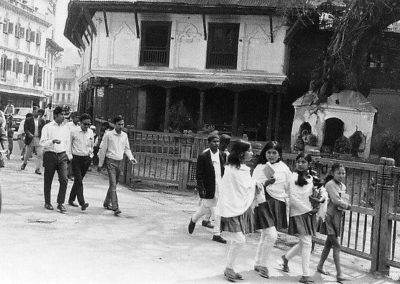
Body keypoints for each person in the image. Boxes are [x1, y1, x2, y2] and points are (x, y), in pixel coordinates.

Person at [216, 140, 262, 282]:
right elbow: (240, 188)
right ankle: (229, 268)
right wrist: (256, 185)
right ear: (242, 153)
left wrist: (255, 184)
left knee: (237, 240)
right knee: (240, 240)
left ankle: (229, 268)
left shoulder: (244, 169)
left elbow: (247, 185)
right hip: (231, 207)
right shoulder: (232, 169)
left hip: (239, 207)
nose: (252, 153)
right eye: (249, 151)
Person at [252, 141, 292, 278]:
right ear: (265, 153)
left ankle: (258, 262)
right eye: (268, 152)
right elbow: (253, 185)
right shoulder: (259, 167)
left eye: (274, 153)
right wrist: (267, 182)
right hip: (263, 201)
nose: (271, 155)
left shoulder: (284, 168)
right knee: (272, 235)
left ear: (279, 154)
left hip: (277, 202)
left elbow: (288, 187)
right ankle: (263, 266)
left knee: (266, 234)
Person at [282, 152, 316, 284]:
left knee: (304, 242)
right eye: (298, 162)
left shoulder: (311, 177)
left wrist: (320, 200)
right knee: (307, 242)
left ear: (309, 164)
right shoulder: (293, 177)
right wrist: (308, 209)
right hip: (299, 213)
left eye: (303, 162)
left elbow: (318, 190)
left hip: (309, 212)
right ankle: (305, 275)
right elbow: (293, 198)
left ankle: (286, 257)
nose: (300, 164)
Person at [188, 133, 227, 243]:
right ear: (209, 143)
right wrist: (201, 188)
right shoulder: (203, 156)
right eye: (214, 142)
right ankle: (216, 233)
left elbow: (224, 171)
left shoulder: (222, 155)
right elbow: (199, 174)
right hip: (209, 187)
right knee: (215, 210)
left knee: (204, 209)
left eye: (218, 141)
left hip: (220, 186)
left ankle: (194, 219)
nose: (216, 144)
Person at [317, 163, 351, 282]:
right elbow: (336, 200)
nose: (341, 175)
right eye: (339, 173)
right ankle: (339, 274)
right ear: (333, 173)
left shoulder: (343, 186)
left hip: (337, 217)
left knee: (328, 243)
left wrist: (344, 204)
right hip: (329, 217)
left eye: (343, 173)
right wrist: (346, 205)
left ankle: (320, 266)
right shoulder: (330, 184)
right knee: (336, 245)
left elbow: (343, 199)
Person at [98, 115, 137, 216]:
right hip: (110, 162)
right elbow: (103, 150)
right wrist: (100, 164)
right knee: (113, 184)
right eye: (119, 124)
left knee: (113, 184)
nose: (121, 126)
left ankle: (107, 202)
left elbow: (127, 149)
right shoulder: (108, 135)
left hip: (120, 162)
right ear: (114, 124)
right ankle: (115, 207)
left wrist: (131, 158)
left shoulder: (124, 135)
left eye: (122, 124)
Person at [40, 106, 72, 213]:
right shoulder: (47, 127)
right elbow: (42, 143)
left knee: (64, 179)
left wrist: (69, 157)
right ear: (56, 115)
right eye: (62, 115)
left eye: (64, 114)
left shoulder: (66, 128)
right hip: (50, 155)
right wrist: (52, 141)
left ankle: (60, 203)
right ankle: (47, 202)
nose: (64, 117)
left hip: (62, 155)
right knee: (48, 180)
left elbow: (68, 143)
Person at [67, 113, 93, 210]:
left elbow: (91, 145)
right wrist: (70, 157)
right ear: (80, 123)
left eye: (88, 124)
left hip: (86, 159)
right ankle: (82, 202)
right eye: (85, 124)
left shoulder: (90, 132)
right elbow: (68, 145)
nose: (86, 126)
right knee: (78, 180)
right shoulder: (73, 132)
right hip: (76, 158)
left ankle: (71, 199)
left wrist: (91, 155)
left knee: (79, 180)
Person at [21, 107, 45, 174]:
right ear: (33, 112)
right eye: (35, 111)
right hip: (30, 138)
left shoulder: (42, 120)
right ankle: (24, 163)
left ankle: (38, 169)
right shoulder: (28, 120)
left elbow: (44, 130)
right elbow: (25, 129)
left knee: (40, 154)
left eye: (37, 112)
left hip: (38, 139)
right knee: (28, 153)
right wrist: (29, 134)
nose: (36, 113)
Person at [65, 112, 80, 180]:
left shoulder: (79, 126)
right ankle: (68, 174)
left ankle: (71, 174)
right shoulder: (68, 125)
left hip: (75, 144)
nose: (77, 119)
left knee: (73, 160)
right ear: (73, 118)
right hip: (68, 143)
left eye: (78, 118)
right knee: (68, 158)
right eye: (76, 117)